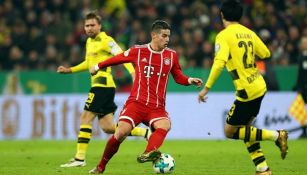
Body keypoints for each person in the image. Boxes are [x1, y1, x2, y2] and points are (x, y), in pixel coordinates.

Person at [88, 20, 203, 174]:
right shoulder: (138, 51)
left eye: (168, 36)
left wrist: (189, 80)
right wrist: (98, 66)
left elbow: (178, 76)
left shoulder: (171, 55)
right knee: (121, 132)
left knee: (165, 125)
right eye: (164, 35)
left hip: (156, 107)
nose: (167, 39)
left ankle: (148, 153)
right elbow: (118, 58)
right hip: (136, 103)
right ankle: (100, 167)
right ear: (154, 35)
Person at [197, 1, 288, 175]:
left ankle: (277, 135)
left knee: (230, 131)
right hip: (259, 85)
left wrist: (206, 88)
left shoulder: (223, 36)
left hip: (246, 91)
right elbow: (266, 53)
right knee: (246, 129)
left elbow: (218, 63)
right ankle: (263, 169)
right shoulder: (249, 33)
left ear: (222, 15)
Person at [57, 12, 150, 168]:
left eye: (92, 25)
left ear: (99, 26)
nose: (89, 28)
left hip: (103, 85)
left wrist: (134, 73)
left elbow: (123, 56)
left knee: (85, 117)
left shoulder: (107, 41)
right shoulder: (89, 42)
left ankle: (80, 158)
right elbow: (88, 63)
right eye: (87, 26)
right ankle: (144, 133)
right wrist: (69, 70)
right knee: (108, 127)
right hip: (101, 87)